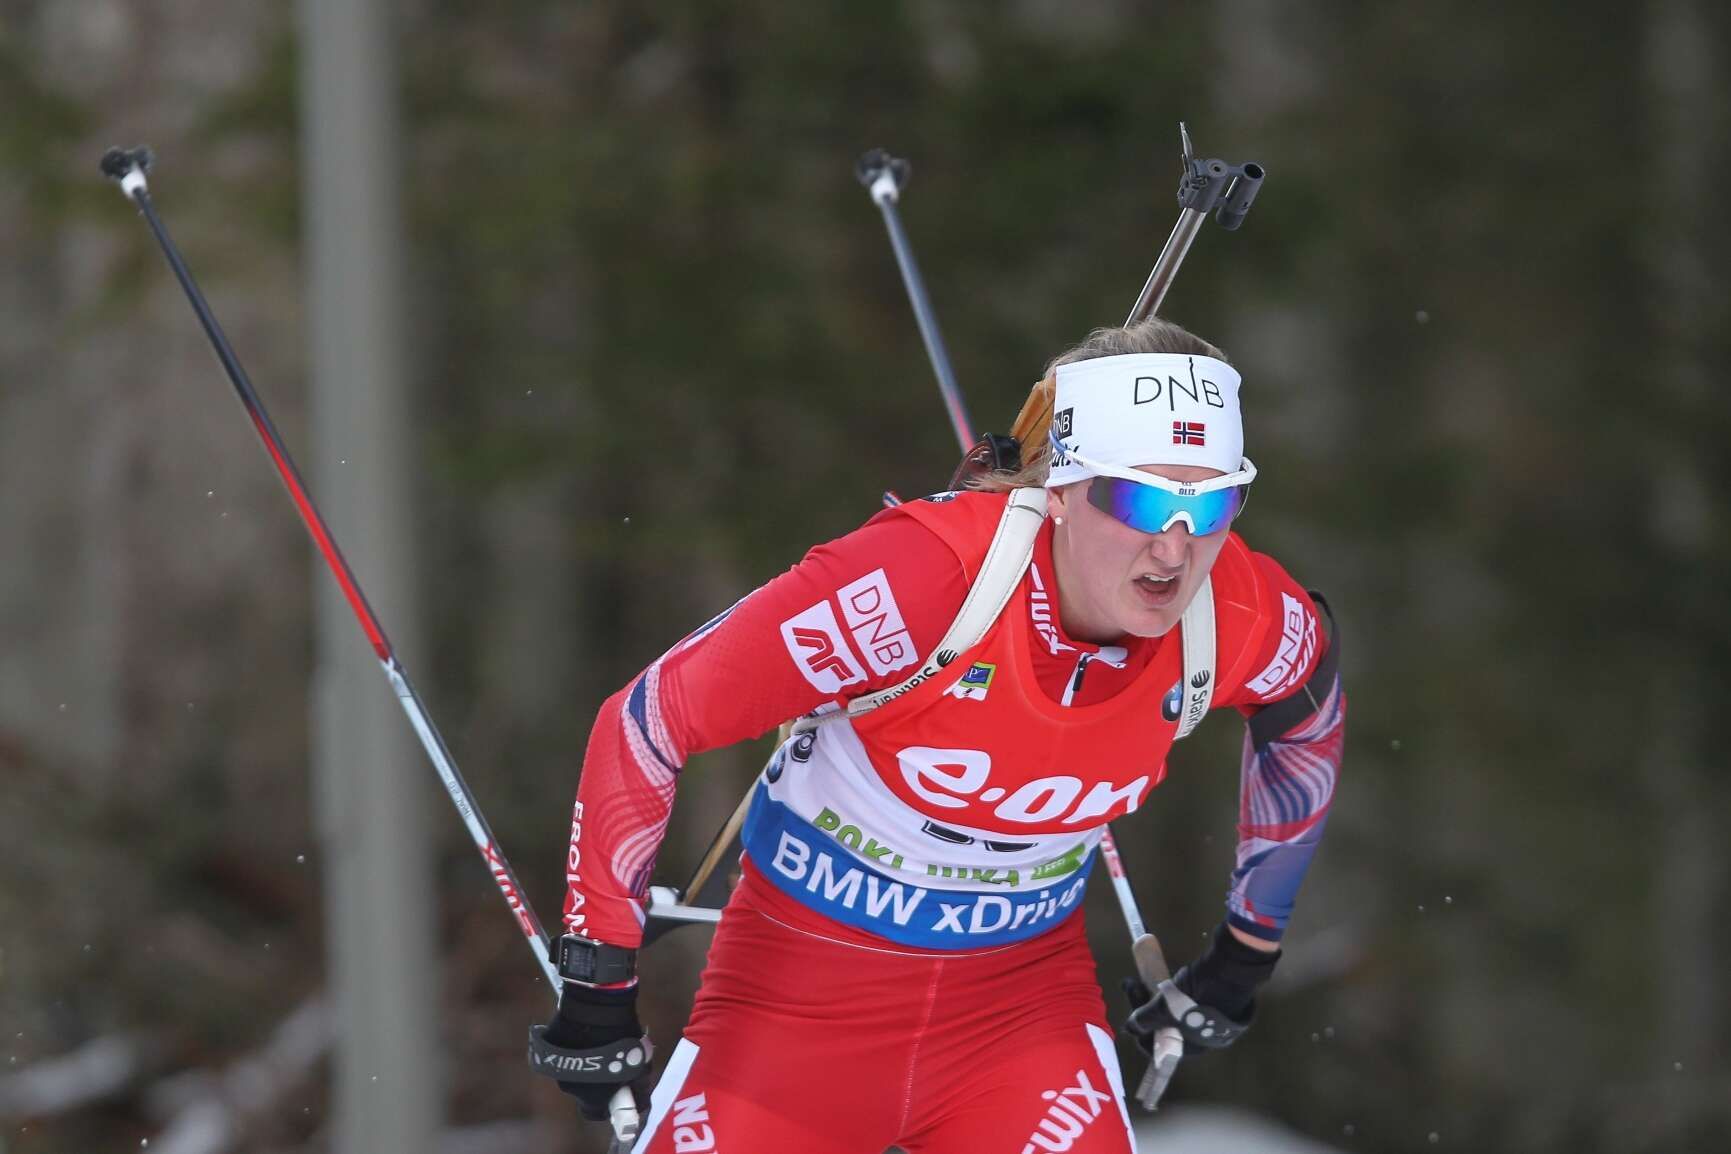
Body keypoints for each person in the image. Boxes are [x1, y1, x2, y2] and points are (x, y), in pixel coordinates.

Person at [530, 318, 1346, 1153]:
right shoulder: (923, 579)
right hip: (796, 1006)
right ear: (1060, 490)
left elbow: (1306, 712)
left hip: (1019, 1021)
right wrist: (599, 982)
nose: (1173, 549)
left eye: (1210, 503)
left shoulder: (1237, 610)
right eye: (1137, 499)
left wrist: (1244, 953)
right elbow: (649, 717)